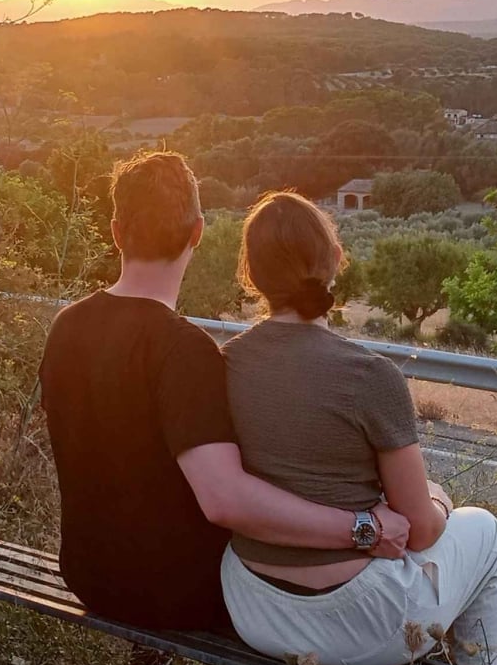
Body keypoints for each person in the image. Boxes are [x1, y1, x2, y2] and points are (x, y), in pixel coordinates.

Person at [218, 190, 497, 665]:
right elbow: (418, 531)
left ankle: (488, 654)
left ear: (251, 273)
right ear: (335, 259)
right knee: (486, 532)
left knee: (448, 546)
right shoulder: (370, 375)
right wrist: (442, 502)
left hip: (253, 610)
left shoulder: (225, 364)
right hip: (361, 625)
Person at [38, 152, 411, 631]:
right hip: (179, 592)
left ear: (115, 231)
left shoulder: (66, 325)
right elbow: (225, 500)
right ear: (198, 232)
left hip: (87, 574)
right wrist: (365, 528)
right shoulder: (183, 349)